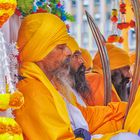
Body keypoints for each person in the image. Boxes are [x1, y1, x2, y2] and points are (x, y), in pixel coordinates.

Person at [14, 13, 139, 140]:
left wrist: (127, 110)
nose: (68, 52)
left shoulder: (50, 85)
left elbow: (85, 116)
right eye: (61, 47)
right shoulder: (33, 92)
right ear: (40, 51)